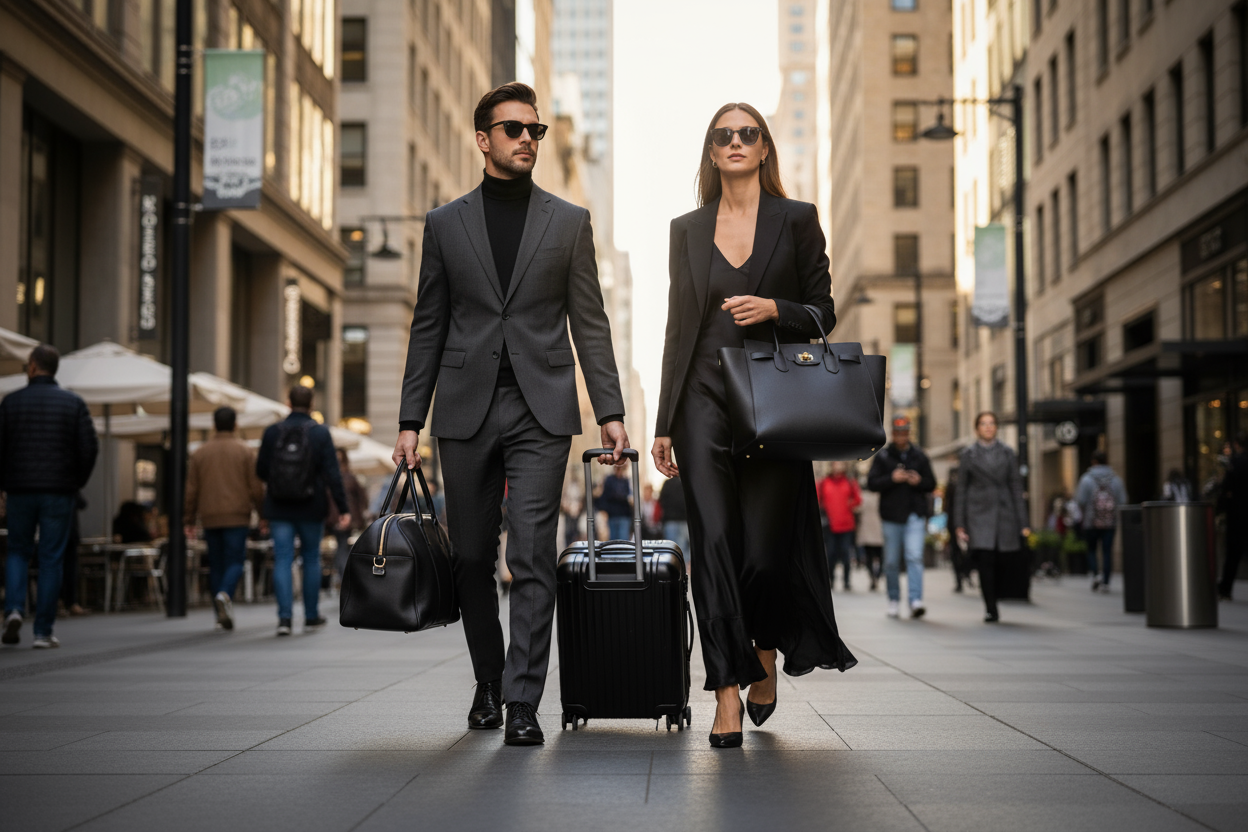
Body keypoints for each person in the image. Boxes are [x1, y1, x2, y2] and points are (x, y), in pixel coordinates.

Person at [392, 82, 628, 747]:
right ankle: (489, 681)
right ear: (483, 139)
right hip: (463, 408)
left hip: (540, 409)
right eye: (514, 129)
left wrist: (609, 410)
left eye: (536, 130)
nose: (528, 139)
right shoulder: (445, 224)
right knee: (470, 558)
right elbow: (428, 325)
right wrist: (410, 419)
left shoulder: (568, 222)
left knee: (531, 554)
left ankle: (523, 701)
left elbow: (590, 323)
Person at [650, 101, 857, 750]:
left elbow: (824, 311)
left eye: (748, 133)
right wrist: (664, 421)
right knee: (713, 547)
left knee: (765, 557)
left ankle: (764, 648)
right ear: (712, 152)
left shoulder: (797, 219)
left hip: (775, 399)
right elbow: (677, 329)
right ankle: (724, 692)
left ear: (764, 148)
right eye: (724, 135)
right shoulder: (686, 229)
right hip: (702, 399)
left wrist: (774, 309)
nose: (736, 141)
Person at [0, 344, 99, 649]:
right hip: (58, 490)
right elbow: (89, 447)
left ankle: (13, 609)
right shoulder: (73, 403)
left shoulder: (11, 402)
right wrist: (75, 482)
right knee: (51, 557)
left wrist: (3, 484)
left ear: (32, 366)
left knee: (17, 551)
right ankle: (43, 631)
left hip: (19, 489)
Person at [257, 386, 351, 636]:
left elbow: (261, 470)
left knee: (283, 559)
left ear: (288, 402)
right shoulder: (320, 433)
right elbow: (333, 474)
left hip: (278, 506)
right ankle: (311, 616)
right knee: (311, 559)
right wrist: (343, 508)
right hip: (311, 505)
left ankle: (284, 619)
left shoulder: (272, 432)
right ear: (312, 404)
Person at [185, 406, 265, 630]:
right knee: (236, 561)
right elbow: (256, 487)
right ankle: (225, 593)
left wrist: (188, 519)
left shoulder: (200, 453)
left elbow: (191, 490)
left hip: (209, 516)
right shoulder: (245, 451)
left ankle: (219, 615)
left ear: (214, 425)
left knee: (216, 564)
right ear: (235, 424)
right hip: (237, 516)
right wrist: (263, 514)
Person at [953, 412, 1030, 623]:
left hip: (1005, 512)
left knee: (1003, 559)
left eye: (991, 423)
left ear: (996, 427)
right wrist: (959, 523)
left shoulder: (1007, 453)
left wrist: (1023, 522)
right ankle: (990, 607)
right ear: (977, 428)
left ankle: (997, 596)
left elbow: (1016, 486)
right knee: (985, 560)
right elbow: (961, 490)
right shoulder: (968, 455)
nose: (988, 427)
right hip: (978, 513)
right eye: (983, 423)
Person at [867, 415, 936, 619]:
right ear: (893, 433)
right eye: (898, 433)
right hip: (891, 516)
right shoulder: (883, 456)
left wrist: (918, 481)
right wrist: (892, 478)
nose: (901, 436)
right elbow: (872, 483)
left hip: (914, 514)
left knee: (914, 556)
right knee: (891, 561)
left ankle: (915, 600)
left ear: (909, 433)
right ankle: (894, 599)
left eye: (904, 432)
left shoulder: (920, 456)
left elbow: (931, 483)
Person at [1074, 449, 1127, 593]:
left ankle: (1096, 575)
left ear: (1093, 462)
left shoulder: (1086, 479)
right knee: (1107, 551)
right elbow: (1123, 501)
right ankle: (1106, 582)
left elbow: (1080, 500)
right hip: (1110, 522)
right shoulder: (1116, 479)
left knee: (1091, 549)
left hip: (1091, 521)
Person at [817, 461, 861, 591]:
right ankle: (831, 579)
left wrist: (848, 506)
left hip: (846, 525)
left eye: (840, 463)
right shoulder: (823, 483)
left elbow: (858, 499)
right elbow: (817, 500)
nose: (838, 466)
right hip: (829, 525)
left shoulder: (850, 482)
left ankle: (846, 581)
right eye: (835, 464)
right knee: (830, 553)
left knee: (846, 553)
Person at [329, 448, 369, 584]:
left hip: (339, 518)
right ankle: (347, 578)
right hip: (344, 518)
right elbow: (362, 499)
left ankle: (345, 577)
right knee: (343, 547)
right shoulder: (348, 478)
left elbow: (361, 499)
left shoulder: (334, 477)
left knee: (342, 547)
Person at [1218, 433, 1247, 600]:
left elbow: (1226, 487)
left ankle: (1225, 589)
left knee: (1233, 553)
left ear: (1236, 445)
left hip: (1237, 513)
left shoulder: (1235, 463)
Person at [856, 477, 884, 591]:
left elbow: (857, 509)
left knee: (869, 557)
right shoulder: (881, 496)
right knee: (881, 556)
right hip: (879, 531)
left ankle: (872, 576)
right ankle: (878, 575)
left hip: (866, 530)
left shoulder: (861, 496)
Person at [596, 462, 634, 540]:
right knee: (613, 540)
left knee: (623, 540)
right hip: (612, 515)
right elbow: (605, 496)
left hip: (624, 515)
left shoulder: (626, 481)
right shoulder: (609, 480)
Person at [658, 476, 690, 562]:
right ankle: (683, 568)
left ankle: (673, 569)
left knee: (671, 550)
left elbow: (661, 499)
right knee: (683, 550)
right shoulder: (686, 483)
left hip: (670, 520)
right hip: (684, 520)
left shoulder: (667, 484)